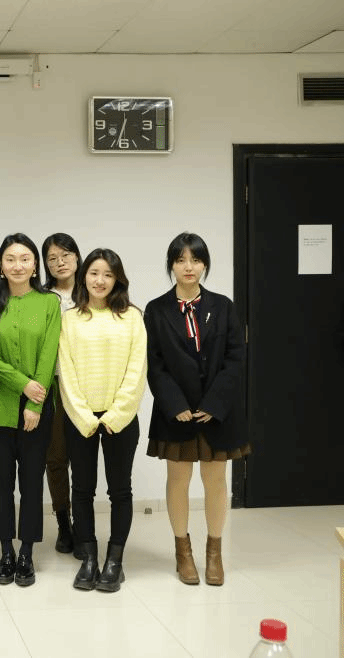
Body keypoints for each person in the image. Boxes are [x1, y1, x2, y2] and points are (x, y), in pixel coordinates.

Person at [145, 232, 248, 587]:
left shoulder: (224, 306)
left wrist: (214, 404)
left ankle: (214, 554)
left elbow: (235, 358)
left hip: (218, 411)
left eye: (196, 259)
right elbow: (154, 363)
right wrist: (175, 404)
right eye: (180, 260)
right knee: (178, 479)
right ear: (171, 265)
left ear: (205, 264)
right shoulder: (156, 310)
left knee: (215, 480)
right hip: (176, 412)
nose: (188, 267)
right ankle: (183, 553)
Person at [58, 248, 147, 593]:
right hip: (79, 417)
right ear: (84, 277)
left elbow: (137, 370)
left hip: (120, 419)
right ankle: (89, 559)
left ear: (117, 280)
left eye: (108, 275)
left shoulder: (132, 317)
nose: (100, 280)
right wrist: (83, 415)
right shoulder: (70, 319)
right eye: (94, 273)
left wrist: (116, 414)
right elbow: (65, 371)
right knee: (81, 490)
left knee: (120, 490)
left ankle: (114, 561)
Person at [0, 234, 61, 588]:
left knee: (31, 482)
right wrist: (22, 384)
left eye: (25, 258)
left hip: (37, 409)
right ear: (1, 265)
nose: (18, 265)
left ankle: (26, 552)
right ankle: (5, 551)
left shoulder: (49, 303)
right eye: (10, 259)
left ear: (35, 265)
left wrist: (34, 402)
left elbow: (49, 353)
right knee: (1, 484)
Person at [40, 233, 82, 556]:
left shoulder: (92, 292)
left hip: (84, 386)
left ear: (77, 257)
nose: (60, 262)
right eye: (52, 258)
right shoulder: (42, 298)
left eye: (65, 255)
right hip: (52, 385)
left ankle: (83, 523)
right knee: (55, 458)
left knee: (82, 459)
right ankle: (63, 522)